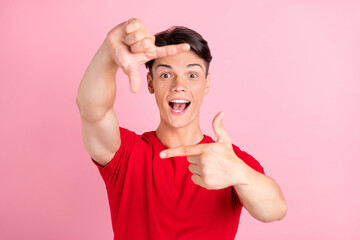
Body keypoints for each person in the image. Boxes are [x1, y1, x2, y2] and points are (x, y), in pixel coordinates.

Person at [76, 18, 287, 240]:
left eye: (192, 75)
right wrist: (108, 52)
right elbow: (92, 110)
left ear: (206, 83)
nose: (179, 85)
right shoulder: (126, 154)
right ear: (151, 83)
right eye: (166, 75)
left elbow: (275, 211)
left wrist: (239, 173)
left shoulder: (227, 160)